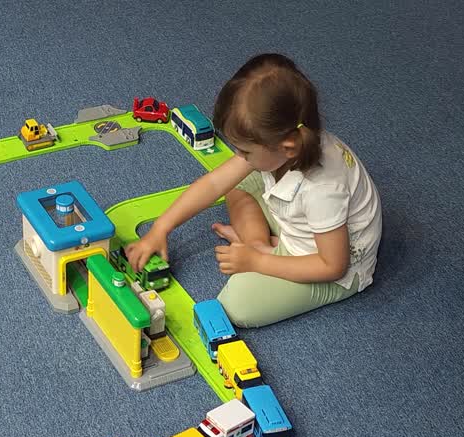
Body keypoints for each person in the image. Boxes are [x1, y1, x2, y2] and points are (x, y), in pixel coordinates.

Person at [126, 53, 383, 327]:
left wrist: (257, 262)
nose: (239, 156)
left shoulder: (322, 189)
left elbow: (333, 266)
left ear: (287, 147)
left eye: (245, 152)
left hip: (334, 266)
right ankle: (260, 242)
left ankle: (263, 249)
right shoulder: (283, 144)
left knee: (236, 305)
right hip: (305, 225)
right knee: (236, 184)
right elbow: (214, 184)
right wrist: (161, 228)